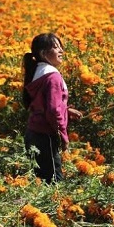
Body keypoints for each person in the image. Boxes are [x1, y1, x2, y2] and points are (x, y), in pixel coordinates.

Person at [22, 33, 82, 183]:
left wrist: (66, 110)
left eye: (61, 46)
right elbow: (53, 111)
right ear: (43, 53)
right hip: (46, 137)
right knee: (54, 183)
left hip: (33, 134)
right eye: (56, 47)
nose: (61, 50)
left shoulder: (38, 71)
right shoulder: (53, 77)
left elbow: (42, 103)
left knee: (39, 181)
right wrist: (63, 136)